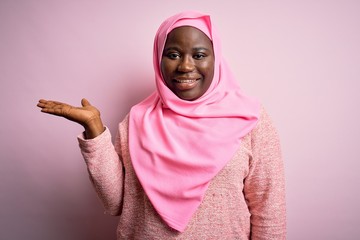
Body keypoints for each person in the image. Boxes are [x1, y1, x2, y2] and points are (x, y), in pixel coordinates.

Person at [37, 11, 286, 239]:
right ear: (159, 58)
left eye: (199, 55)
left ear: (216, 59)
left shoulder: (249, 119)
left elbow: (269, 213)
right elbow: (115, 203)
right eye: (173, 54)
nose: (186, 66)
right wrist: (95, 130)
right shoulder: (137, 120)